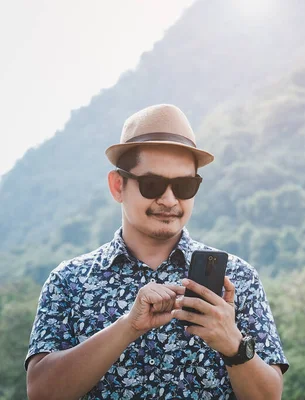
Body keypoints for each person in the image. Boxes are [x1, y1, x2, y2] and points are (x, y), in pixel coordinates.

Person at [24, 104, 289, 400]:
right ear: (117, 186)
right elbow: (41, 393)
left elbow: (270, 397)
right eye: (152, 184)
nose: (169, 199)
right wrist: (127, 326)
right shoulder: (69, 281)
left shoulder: (239, 278)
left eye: (184, 185)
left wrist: (233, 345)